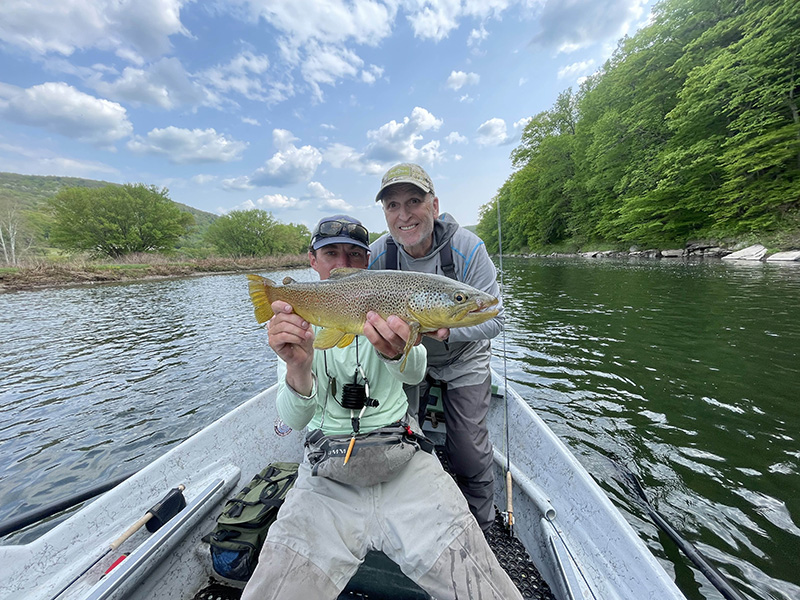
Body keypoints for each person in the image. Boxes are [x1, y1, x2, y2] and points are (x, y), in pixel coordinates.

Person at [242, 215, 522, 600]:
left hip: (404, 461)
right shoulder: (299, 324)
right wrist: (298, 366)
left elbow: (415, 373)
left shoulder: (397, 308)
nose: (342, 263)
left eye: (355, 255)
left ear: (368, 260)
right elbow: (295, 419)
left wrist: (397, 354)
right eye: (331, 253)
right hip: (326, 475)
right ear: (312, 259)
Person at [368, 164, 503, 533]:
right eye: (392, 206)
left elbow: (495, 319)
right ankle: (413, 522)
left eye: (414, 201)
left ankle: (482, 527)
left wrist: (446, 333)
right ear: (385, 213)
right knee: (398, 438)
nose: (404, 214)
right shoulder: (379, 256)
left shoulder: (468, 249)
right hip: (408, 359)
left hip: (463, 358)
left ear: (435, 204)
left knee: (470, 454)